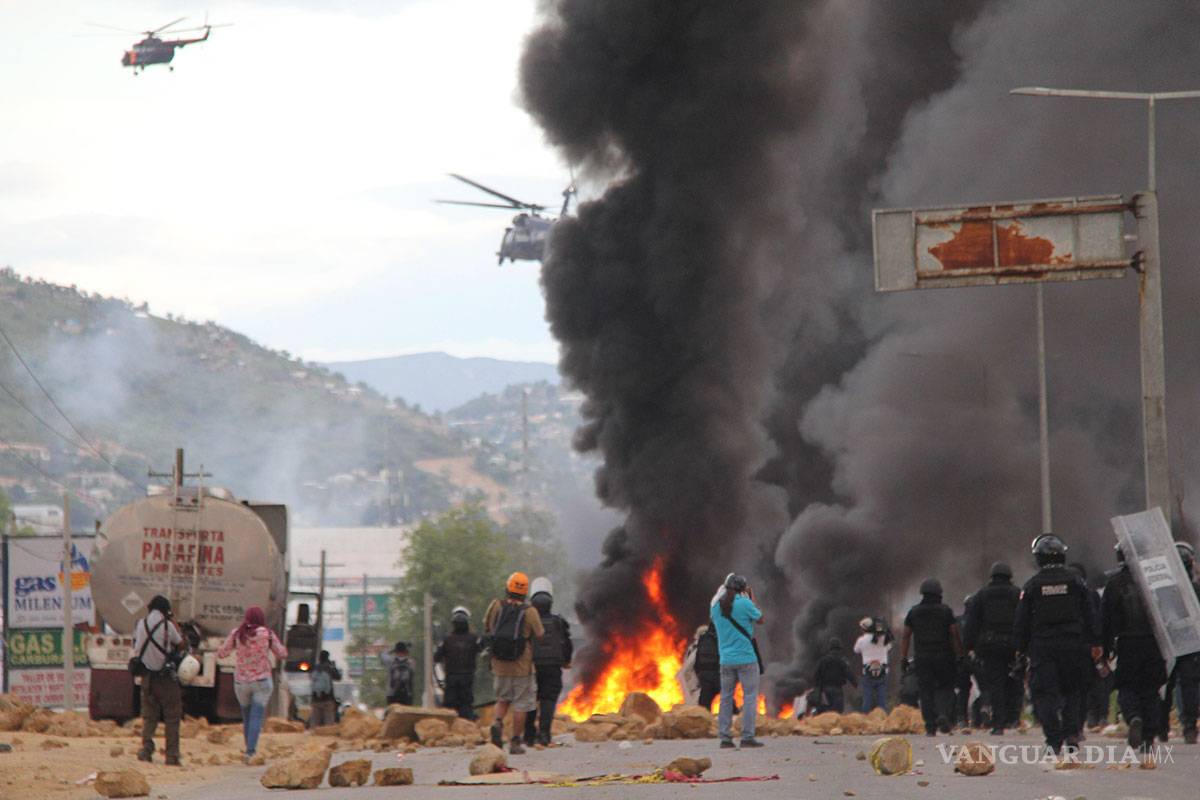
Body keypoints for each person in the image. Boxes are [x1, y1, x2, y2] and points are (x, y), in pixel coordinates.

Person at [1014, 534, 1101, 754]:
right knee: (1072, 691)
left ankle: (1053, 739)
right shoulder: (1076, 582)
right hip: (1073, 646)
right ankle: (1072, 734)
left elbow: (1022, 621)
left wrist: (1020, 649)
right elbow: (1090, 613)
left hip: (1043, 648)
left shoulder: (1032, 586)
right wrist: (1095, 641)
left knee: (1044, 693)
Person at [1102, 544, 1167, 752]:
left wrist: (1105, 649)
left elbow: (1106, 620)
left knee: (1127, 687)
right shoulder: (1155, 580)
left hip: (1126, 643)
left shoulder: (1114, 584)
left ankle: (1133, 717)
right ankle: (1149, 737)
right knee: (1151, 690)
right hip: (1153, 642)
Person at [216, 605, 287, 762]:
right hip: (261, 681)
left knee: (247, 716)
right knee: (256, 717)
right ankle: (250, 752)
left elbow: (222, 653)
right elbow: (282, 654)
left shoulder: (237, 633)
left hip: (241, 682)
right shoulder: (267, 634)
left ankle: (249, 748)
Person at [484, 572, 544, 755]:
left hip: (499, 664)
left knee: (502, 699)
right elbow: (540, 634)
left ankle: (497, 723)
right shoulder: (530, 611)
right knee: (521, 705)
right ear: (525, 592)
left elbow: (488, 627)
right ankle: (515, 741)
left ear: (508, 587)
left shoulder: (496, 605)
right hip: (522, 667)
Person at [962, 562, 1021, 734]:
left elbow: (972, 623)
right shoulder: (1017, 594)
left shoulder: (982, 595)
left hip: (990, 646)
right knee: (1014, 681)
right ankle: (1013, 718)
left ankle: (998, 724)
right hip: (1013, 645)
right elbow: (1025, 619)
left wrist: (969, 646)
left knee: (995, 684)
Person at [901, 578, 962, 736]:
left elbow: (906, 636)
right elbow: (954, 634)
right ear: (939, 593)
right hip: (944, 656)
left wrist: (903, 658)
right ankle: (942, 714)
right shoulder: (946, 611)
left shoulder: (914, 612)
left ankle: (930, 726)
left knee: (925, 690)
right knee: (945, 687)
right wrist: (959, 655)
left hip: (922, 657)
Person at [710, 573, 765, 749]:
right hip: (747, 658)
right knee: (749, 697)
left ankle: (725, 738)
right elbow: (760, 619)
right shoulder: (745, 603)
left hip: (725, 660)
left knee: (726, 698)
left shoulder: (716, 607)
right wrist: (751, 598)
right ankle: (747, 736)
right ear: (742, 589)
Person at [133, 594, 185, 765]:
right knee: (172, 717)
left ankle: (146, 750)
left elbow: (137, 647)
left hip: (147, 677)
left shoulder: (141, 624)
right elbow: (181, 643)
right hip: (165, 677)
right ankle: (172, 755)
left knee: (149, 716)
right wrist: (174, 623)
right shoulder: (167, 626)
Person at [523, 577, 573, 746]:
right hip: (552, 667)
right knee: (548, 699)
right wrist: (566, 661)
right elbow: (567, 644)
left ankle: (529, 736)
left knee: (530, 699)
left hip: (531, 666)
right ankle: (545, 734)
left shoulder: (525, 622)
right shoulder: (559, 621)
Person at [1174, 541, 1200, 744]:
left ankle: (1188, 725)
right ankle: (1189, 725)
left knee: (1183, 684)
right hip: (1193, 644)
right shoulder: (1196, 589)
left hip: (1179, 644)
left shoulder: (1168, 592)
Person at [434, 606, 481, 720]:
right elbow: (483, 650)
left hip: (451, 678)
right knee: (466, 706)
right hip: (467, 677)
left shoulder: (446, 639)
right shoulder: (474, 638)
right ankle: (467, 725)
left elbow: (436, 657)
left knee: (450, 707)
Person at [853, 617, 892, 713]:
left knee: (867, 697)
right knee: (881, 697)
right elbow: (889, 647)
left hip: (868, 671)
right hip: (882, 670)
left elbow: (856, 650)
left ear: (863, 628)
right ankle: (882, 717)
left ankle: (866, 717)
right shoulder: (882, 638)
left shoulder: (861, 640)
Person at [812, 637, 857, 713]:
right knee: (837, 711)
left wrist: (817, 688)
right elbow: (849, 673)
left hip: (825, 690)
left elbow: (816, 675)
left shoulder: (823, 660)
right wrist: (855, 684)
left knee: (826, 710)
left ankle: (820, 714)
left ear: (830, 648)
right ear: (839, 648)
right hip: (837, 690)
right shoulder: (842, 661)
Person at [690, 624, 722, 711]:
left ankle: (703, 715)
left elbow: (696, 661)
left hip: (704, 675)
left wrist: (699, 674)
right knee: (727, 697)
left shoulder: (702, 640)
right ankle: (735, 715)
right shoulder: (720, 639)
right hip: (717, 674)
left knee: (704, 702)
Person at [307, 650, 341, 729]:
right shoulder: (329, 668)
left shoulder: (314, 668)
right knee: (328, 723)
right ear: (327, 658)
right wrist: (333, 666)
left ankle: (314, 734)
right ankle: (327, 735)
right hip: (328, 698)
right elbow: (338, 677)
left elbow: (311, 679)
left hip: (315, 698)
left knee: (315, 721)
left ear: (319, 658)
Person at [381, 642, 415, 706]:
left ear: (396, 652)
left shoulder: (390, 661)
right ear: (406, 652)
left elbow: (383, 654)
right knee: (406, 712)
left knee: (393, 711)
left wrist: (392, 650)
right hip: (407, 695)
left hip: (392, 695)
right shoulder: (411, 663)